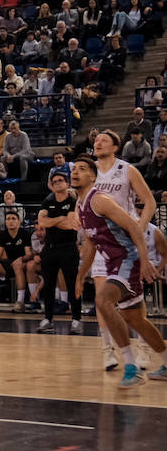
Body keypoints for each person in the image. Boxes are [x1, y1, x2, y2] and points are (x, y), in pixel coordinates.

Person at [70, 156, 167, 387]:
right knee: (136, 319)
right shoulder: (81, 207)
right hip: (115, 263)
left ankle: (131, 368)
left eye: (82, 169)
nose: (75, 172)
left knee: (103, 301)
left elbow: (134, 226)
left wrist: (144, 260)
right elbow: (92, 245)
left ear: (93, 177)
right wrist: (81, 275)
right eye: (74, 169)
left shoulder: (100, 200)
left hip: (128, 260)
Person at [90, 130, 157, 371]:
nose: (98, 142)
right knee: (101, 296)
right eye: (96, 140)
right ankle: (108, 350)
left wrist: (139, 227)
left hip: (126, 240)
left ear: (116, 146)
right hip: (101, 240)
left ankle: (144, 348)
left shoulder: (127, 169)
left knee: (133, 295)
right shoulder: (89, 171)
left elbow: (150, 201)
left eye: (104, 140)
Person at [36, 171, 82, 334]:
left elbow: (71, 223)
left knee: (72, 285)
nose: (57, 183)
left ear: (67, 183)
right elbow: (41, 221)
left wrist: (52, 222)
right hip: (50, 248)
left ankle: (76, 319)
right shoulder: (47, 201)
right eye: (54, 181)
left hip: (68, 247)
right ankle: (48, 319)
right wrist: (60, 220)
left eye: (60, 180)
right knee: (48, 286)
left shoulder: (73, 201)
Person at [0, 211, 33, 312]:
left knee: (17, 266)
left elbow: (28, 254)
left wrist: (21, 259)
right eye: (8, 219)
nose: (10, 221)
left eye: (13, 218)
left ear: (19, 221)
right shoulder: (2, 235)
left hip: (22, 262)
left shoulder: (25, 234)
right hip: (8, 262)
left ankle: (20, 302)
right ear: (5, 222)